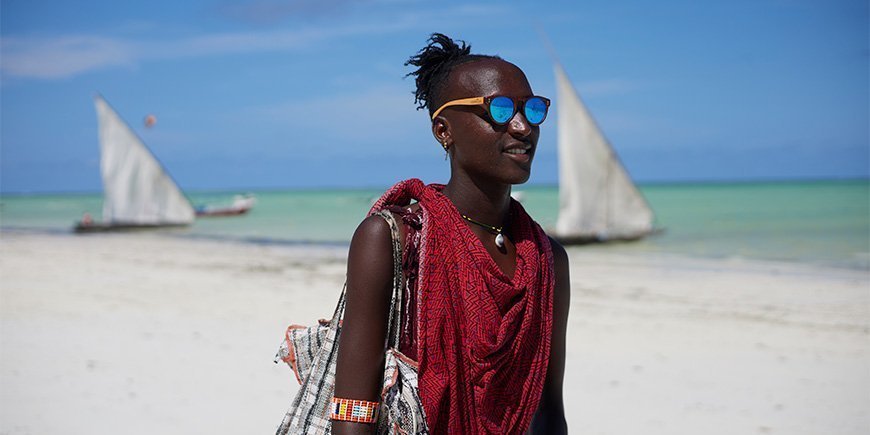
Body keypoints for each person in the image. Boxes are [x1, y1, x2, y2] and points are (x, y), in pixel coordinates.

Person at [332, 33, 571, 434]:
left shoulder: (547, 260)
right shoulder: (393, 239)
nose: (522, 127)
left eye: (532, 109)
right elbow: (354, 409)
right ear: (443, 130)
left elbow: (547, 411)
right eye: (499, 110)